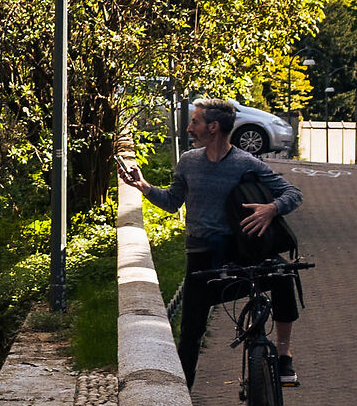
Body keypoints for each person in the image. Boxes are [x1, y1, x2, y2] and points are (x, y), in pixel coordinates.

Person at [121, 97, 304, 387]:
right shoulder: (189, 162)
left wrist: (271, 209)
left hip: (240, 253)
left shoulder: (246, 163)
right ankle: (182, 400)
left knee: (282, 276)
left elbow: (293, 193)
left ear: (214, 127)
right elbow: (171, 202)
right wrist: (143, 187)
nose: (190, 127)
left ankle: (284, 356)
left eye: (195, 121)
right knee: (190, 334)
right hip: (201, 257)